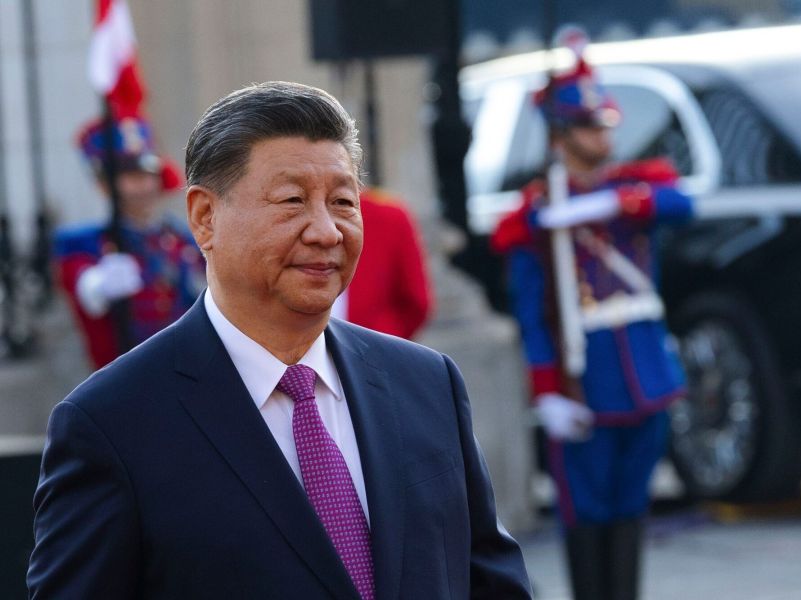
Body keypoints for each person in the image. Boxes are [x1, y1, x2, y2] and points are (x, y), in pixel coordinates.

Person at [28, 81, 532, 600]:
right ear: (205, 218)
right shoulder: (113, 423)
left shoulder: (427, 383)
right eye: (292, 200)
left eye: (342, 201)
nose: (326, 231)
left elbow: (490, 578)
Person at [491, 34, 693, 600]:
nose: (603, 136)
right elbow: (532, 313)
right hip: (586, 382)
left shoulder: (633, 190)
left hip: (646, 375)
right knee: (587, 511)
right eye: (588, 126)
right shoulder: (534, 214)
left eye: (605, 124)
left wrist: (613, 204)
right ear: (560, 137)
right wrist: (546, 390)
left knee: (632, 506)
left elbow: (682, 205)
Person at [55, 116, 205, 369]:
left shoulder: (181, 237)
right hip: (125, 377)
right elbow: (86, 291)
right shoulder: (85, 244)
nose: (143, 186)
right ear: (105, 184)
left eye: (147, 174)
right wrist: (99, 284)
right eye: (130, 176)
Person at [332, 187, 433, 339]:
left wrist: (386, 345)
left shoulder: (389, 215)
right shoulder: (390, 213)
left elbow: (416, 302)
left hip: (372, 346)